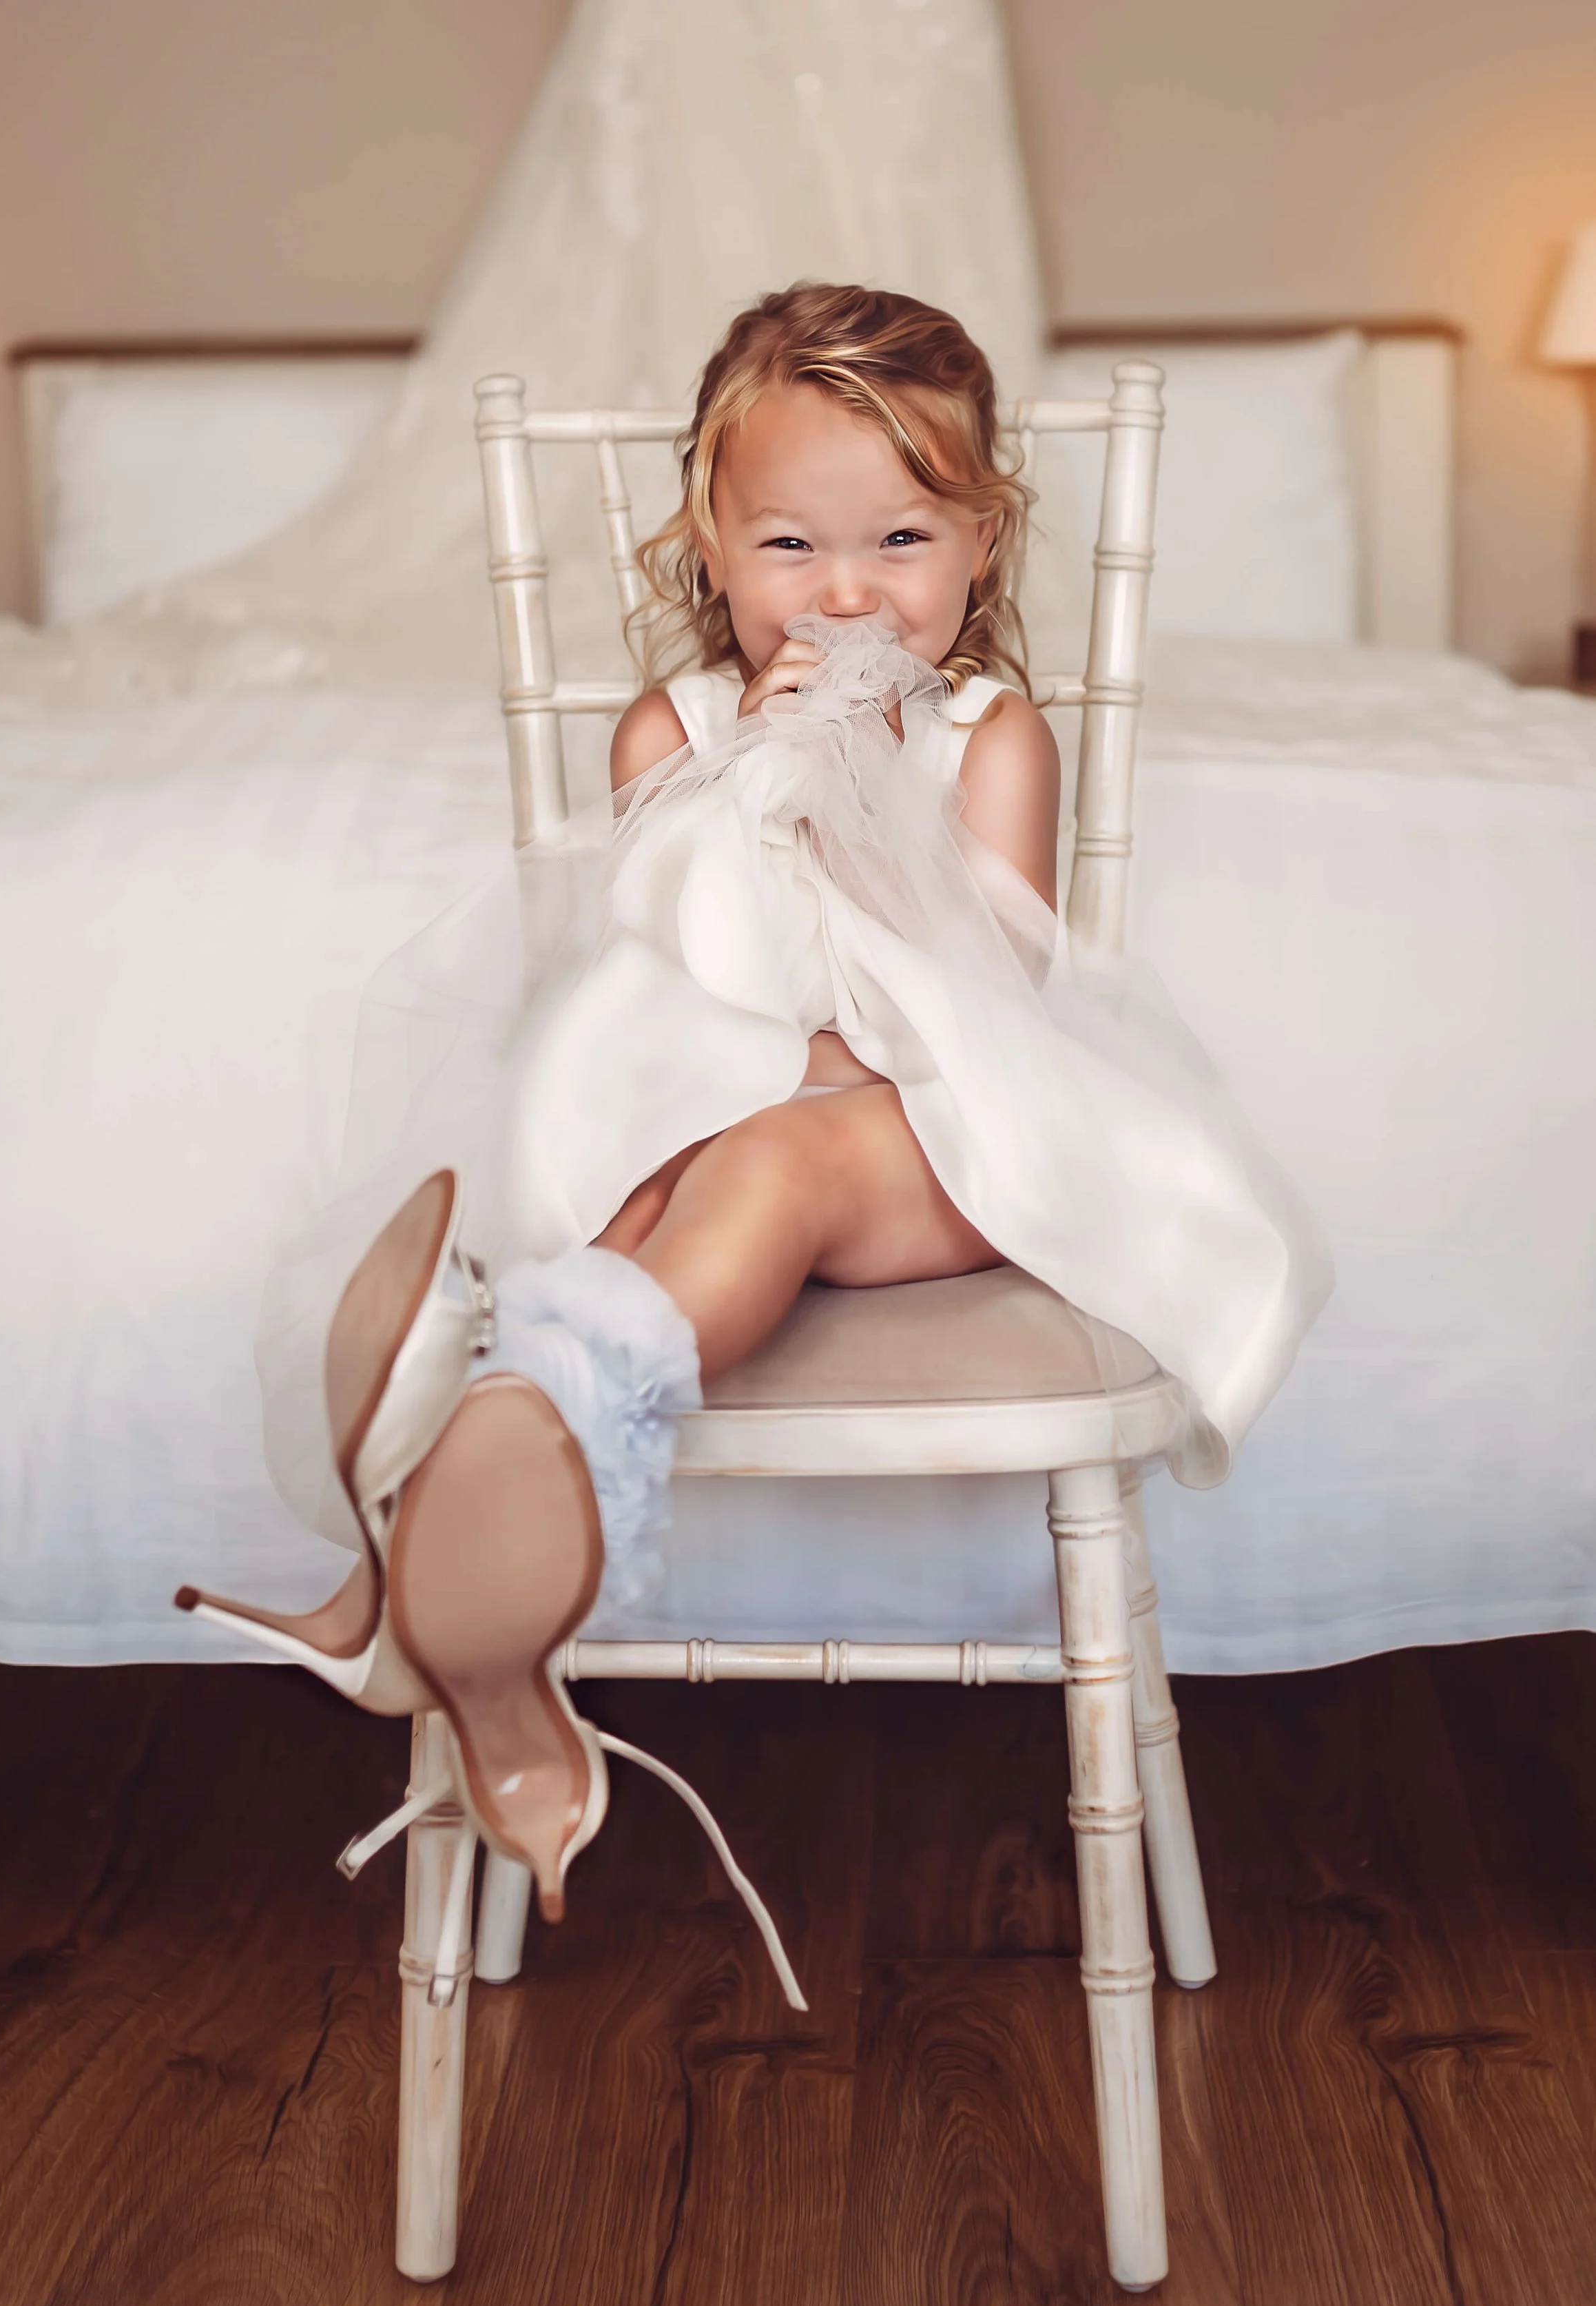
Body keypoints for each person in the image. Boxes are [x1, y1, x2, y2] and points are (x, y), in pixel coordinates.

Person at [181, 284, 1327, 1961]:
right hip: (722, 1100)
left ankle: (533, 1413)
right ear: (708, 546)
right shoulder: (674, 728)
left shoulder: (981, 736)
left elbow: (981, 1004)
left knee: (783, 1156)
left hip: (935, 1135)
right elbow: (650, 974)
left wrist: (856, 794)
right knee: (664, 1165)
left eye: (901, 540)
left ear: (980, 547)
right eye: (790, 543)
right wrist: (749, 787)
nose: (846, 591)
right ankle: (468, 1587)